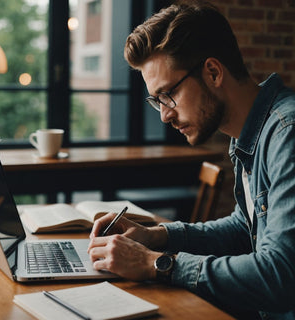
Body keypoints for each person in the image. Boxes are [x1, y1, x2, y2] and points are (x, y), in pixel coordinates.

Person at [88, 1, 295, 319]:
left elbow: (281, 275)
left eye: (168, 94)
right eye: (156, 101)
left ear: (213, 72)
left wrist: (152, 263)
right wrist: (155, 236)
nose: (164, 115)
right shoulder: (247, 134)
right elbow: (244, 229)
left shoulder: (286, 134)